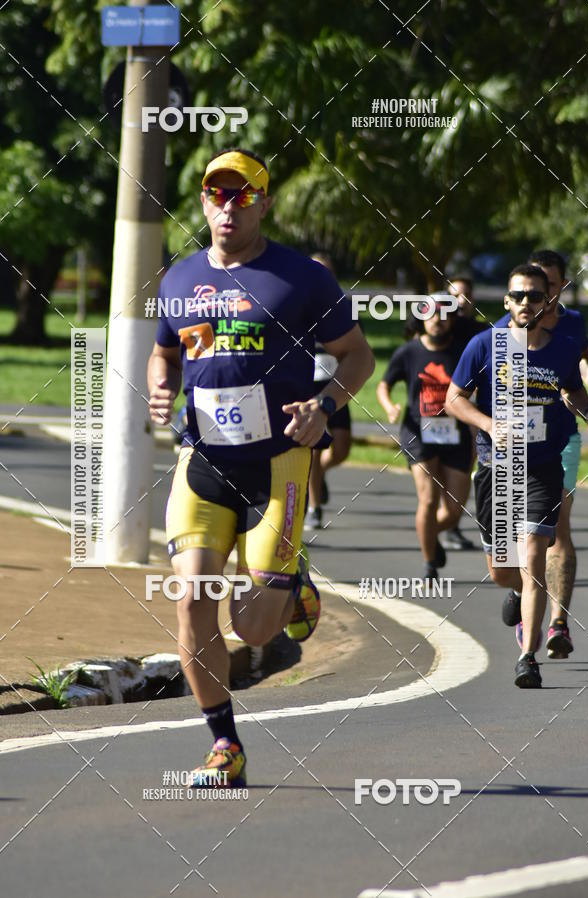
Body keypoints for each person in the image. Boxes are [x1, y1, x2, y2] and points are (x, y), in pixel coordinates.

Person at [147, 148, 374, 784]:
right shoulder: (178, 279)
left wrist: (325, 405)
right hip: (202, 461)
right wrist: (160, 387)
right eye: (218, 193)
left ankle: (293, 583)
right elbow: (162, 356)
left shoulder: (301, 278)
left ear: (263, 203)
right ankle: (225, 746)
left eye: (243, 195)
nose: (228, 205)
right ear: (202, 202)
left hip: (280, 463)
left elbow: (357, 357)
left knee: (250, 630)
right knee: (192, 600)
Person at [446, 264, 588, 688]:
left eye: (535, 295)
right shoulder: (484, 345)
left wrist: (587, 411)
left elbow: (573, 392)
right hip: (497, 467)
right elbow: (454, 399)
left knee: (533, 557)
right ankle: (516, 593)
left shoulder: (564, 348)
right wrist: (490, 424)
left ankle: (527, 658)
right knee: (502, 568)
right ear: (507, 302)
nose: (527, 303)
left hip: (543, 467)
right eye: (519, 296)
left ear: (547, 300)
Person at [496, 250, 588, 659]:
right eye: (538, 290)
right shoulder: (508, 329)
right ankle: (524, 588)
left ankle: (558, 623)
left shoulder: (572, 324)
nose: (544, 296)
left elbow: (586, 363)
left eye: (552, 287)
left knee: (558, 527)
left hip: (562, 438)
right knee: (512, 549)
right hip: (511, 446)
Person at [376, 299, 475, 582]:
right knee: (428, 500)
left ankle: (428, 535)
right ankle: (429, 562)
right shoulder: (409, 352)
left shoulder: (463, 352)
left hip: (456, 432)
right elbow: (385, 385)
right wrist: (389, 406)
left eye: (444, 315)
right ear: (421, 319)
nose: (437, 320)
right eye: (431, 314)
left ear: (452, 320)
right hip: (418, 431)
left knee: (454, 511)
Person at [440, 275, 488, 551]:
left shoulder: (481, 332)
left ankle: (452, 525)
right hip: (435, 409)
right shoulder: (437, 326)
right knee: (439, 470)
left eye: (465, 295)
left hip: (468, 407)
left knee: (465, 465)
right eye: (454, 295)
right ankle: (439, 522)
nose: (460, 301)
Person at [305, 253, 353, 530]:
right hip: (309, 386)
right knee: (313, 449)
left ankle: (319, 475)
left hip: (337, 384)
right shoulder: (296, 303)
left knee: (342, 448)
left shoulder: (343, 307)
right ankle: (315, 507)